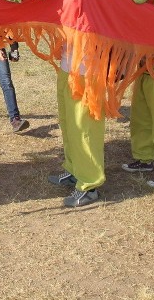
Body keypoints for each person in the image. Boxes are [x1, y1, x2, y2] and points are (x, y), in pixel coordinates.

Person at [47, 46, 104, 207]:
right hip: (67, 70)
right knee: (68, 126)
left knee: (83, 131)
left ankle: (90, 185)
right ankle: (75, 171)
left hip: (86, 74)